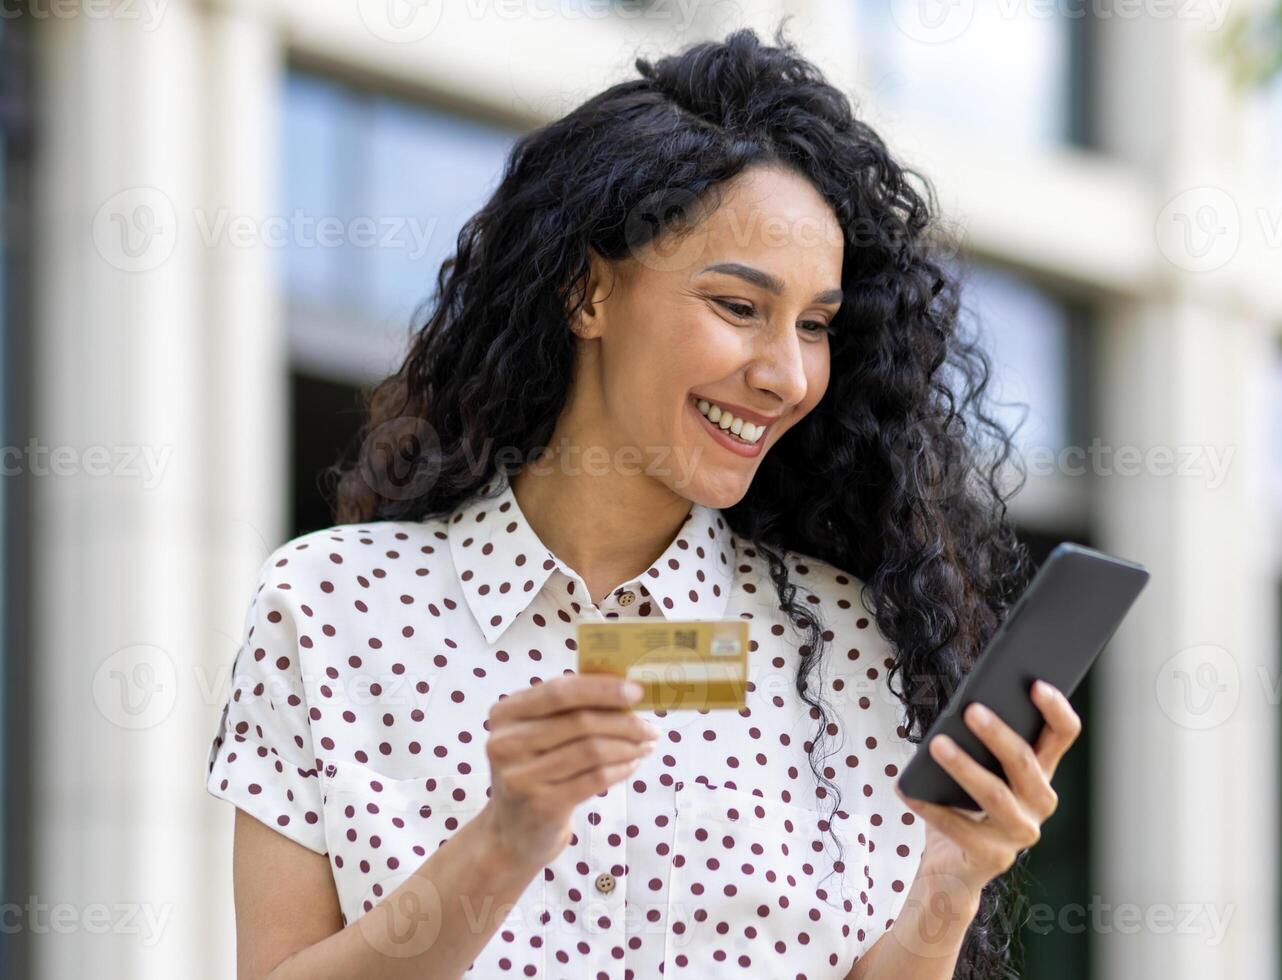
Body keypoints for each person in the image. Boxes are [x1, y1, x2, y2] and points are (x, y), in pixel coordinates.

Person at [204, 23, 1081, 980]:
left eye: (816, 325)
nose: (786, 374)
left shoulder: (843, 639)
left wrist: (949, 884)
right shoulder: (334, 610)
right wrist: (506, 838)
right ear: (588, 293)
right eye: (740, 308)